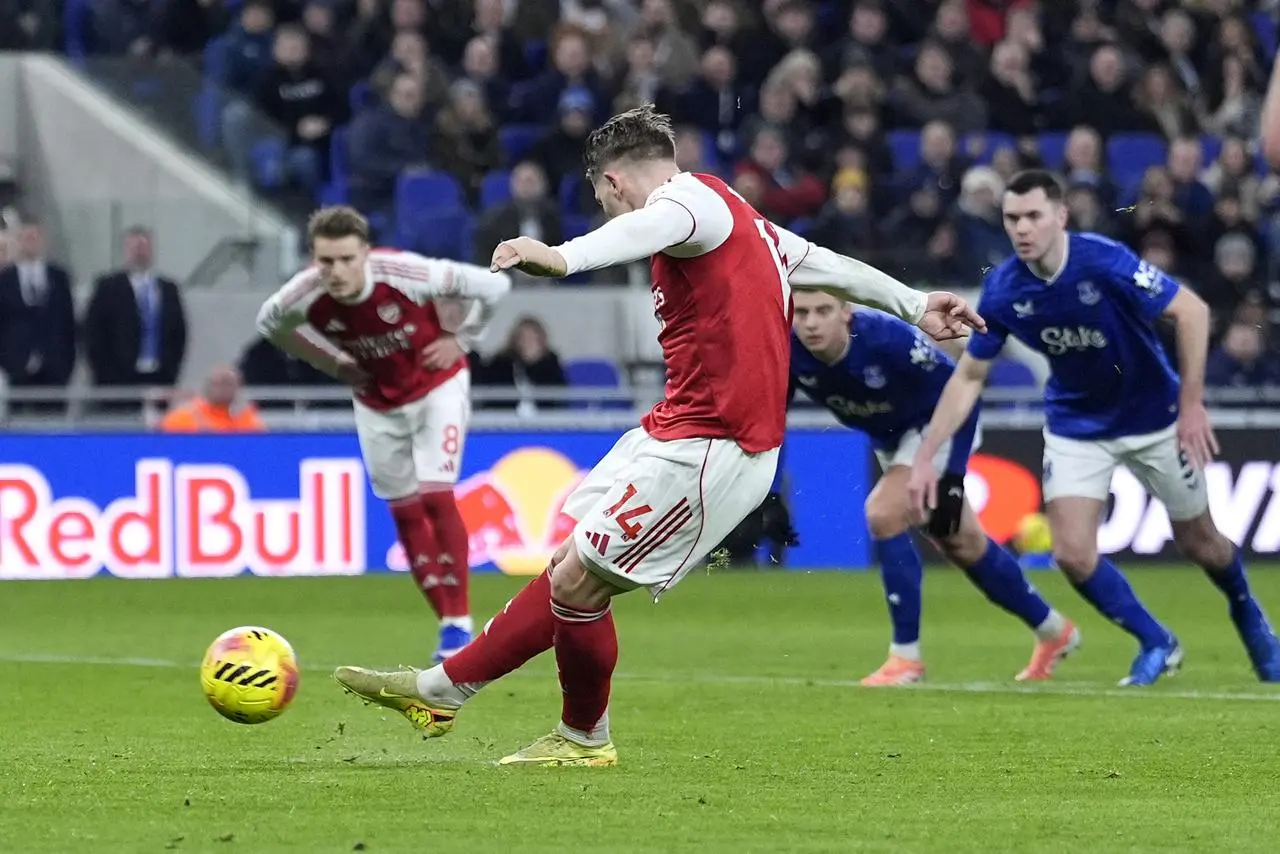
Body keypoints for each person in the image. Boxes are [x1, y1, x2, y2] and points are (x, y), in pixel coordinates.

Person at [332, 105, 984, 767]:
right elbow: (820, 261)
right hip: (677, 427)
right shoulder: (735, 212)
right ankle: (445, 691)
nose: (608, 210)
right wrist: (913, 301)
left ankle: (578, 737)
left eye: (600, 198)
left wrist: (560, 256)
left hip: (714, 444)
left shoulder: (687, 201)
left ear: (613, 183)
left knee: (578, 588)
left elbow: (650, 226)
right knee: (569, 569)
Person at [906, 169, 1280, 687]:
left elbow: (1192, 311)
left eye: (1033, 215)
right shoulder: (1005, 289)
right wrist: (927, 454)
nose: (1022, 228)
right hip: (1076, 423)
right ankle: (1156, 640)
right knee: (1071, 553)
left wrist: (1192, 402)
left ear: (1060, 217)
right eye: (1012, 218)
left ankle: (1246, 611)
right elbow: (969, 375)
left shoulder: (1104, 261)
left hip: (1155, 417)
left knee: (1201, 543)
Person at [255, 206, 512, 663]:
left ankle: (459, 621)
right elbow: (270, 325)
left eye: (346, 259)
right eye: (325, 261)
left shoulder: (407, 273)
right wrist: (332, 363)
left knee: (436, 496)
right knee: (405, 511)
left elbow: (496, 284)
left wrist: (463, 339)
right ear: (313, 259)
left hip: (438, 387)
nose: (336, 271)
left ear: (365, 254)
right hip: (376, 402)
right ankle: (450, 629)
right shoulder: (304, 295)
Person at [790, 289, 1078, 686]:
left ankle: (905, 657)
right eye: (801, 312)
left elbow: (961, 390)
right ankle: (1053, 630)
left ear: (847, 312)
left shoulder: (885, 339)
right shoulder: (787, 349)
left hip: (936, 428)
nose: (811, 323)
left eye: (823, 310)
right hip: (892, 442)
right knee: (963, 545)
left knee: (883, 513)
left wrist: (953, 476)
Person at [159, 364, 265, 432]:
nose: (223, 389)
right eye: (217, 383)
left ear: (238, 387)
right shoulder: (184, 416)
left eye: (228, 383)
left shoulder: (247, 416)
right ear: (208, 386)